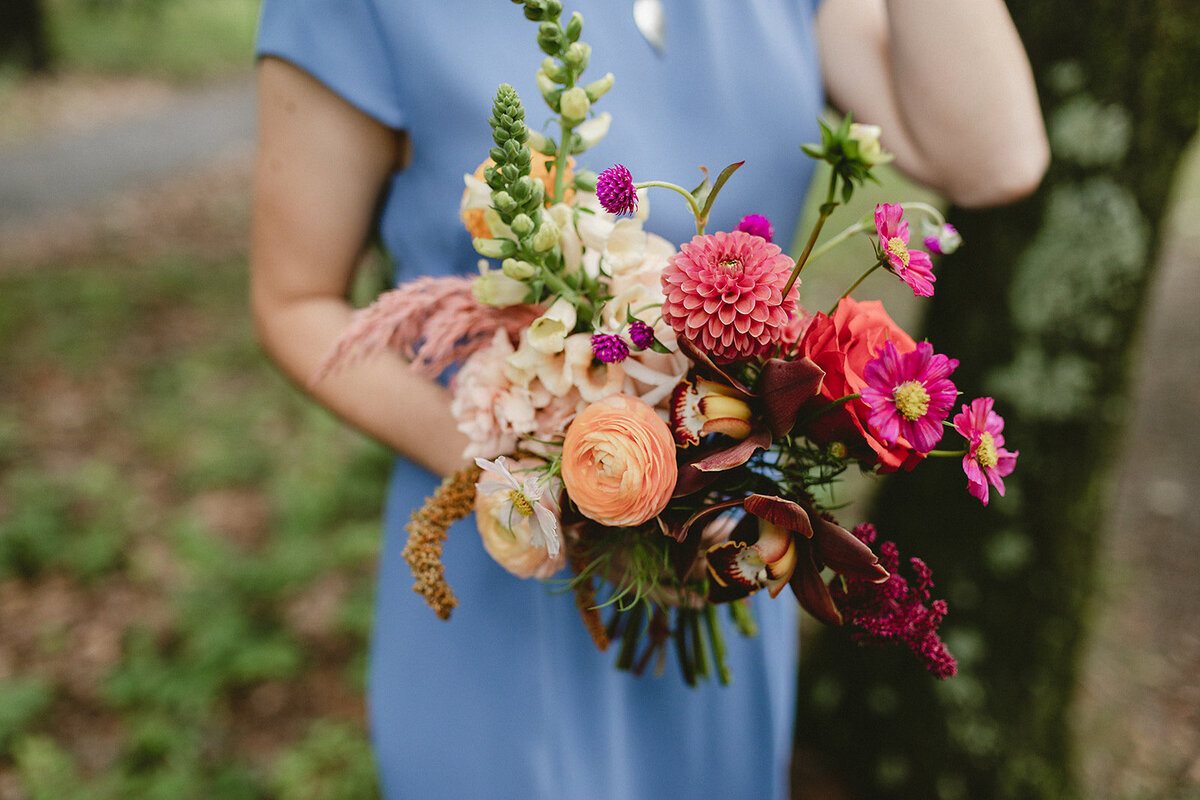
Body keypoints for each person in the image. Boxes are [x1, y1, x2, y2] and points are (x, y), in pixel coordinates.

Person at [250, 1, 1047, 797]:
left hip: (726, 556)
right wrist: (562, 483)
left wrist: (697, 504)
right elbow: (297, 301)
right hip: (508, 549)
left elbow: (995, 158)